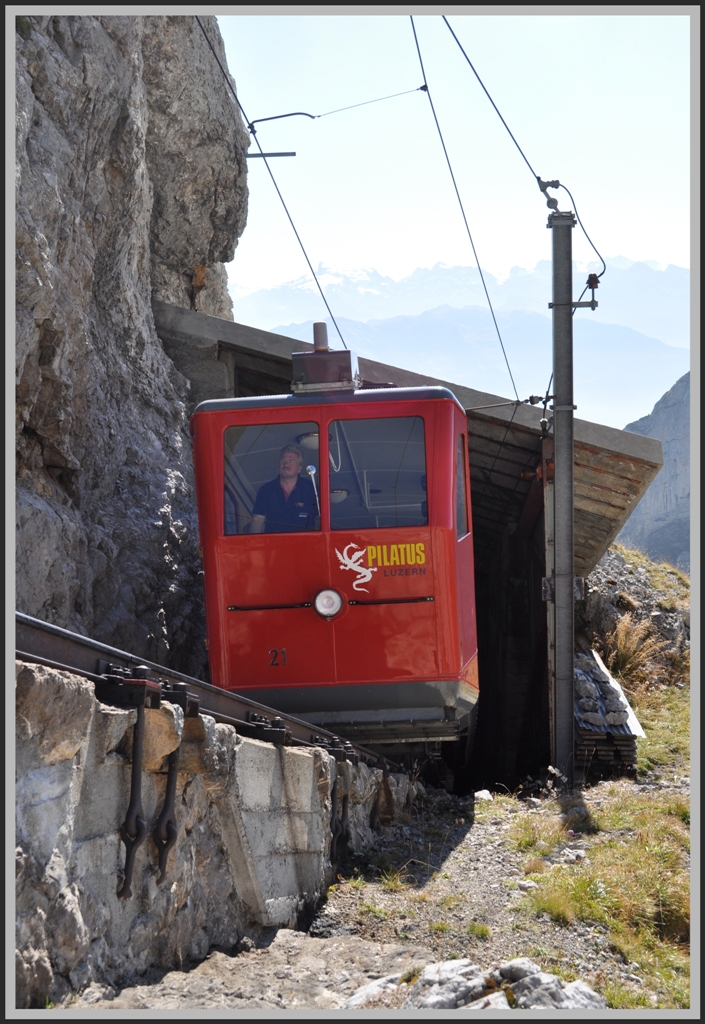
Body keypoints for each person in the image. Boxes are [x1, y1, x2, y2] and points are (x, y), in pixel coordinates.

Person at [250, 443, 318, 533]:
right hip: (274, 544)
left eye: (291, 462)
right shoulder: (266, 490)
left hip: (304, 544)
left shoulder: (312, 489)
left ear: (299, 468)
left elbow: (320, 519)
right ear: (279, 464)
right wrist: (256, 544)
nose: (286, 464)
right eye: (283, 461)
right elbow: (258, 519)